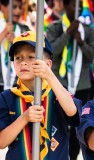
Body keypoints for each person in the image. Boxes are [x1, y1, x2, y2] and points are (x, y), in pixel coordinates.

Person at [0, 31, 81, 160]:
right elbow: (1, 143)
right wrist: (24, 118)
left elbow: (72, 112)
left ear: (47, 64)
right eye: (18, 58)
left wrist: (49, 75)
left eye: (31, 57)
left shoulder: (58, 92)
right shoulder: (6, 97)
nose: (23, 62)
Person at [46, 0, 94, 159]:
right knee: (58, 123)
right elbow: (51, 51)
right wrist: (67, 33)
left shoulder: (87, 30)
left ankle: (73, 155)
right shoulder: (55, 28)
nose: (75, 9)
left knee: (77, 124)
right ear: (65, 6)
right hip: (59, 84)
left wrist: (80, 42)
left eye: (78, 7)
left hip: (81, 84)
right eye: (72, 5)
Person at [0, 0, 30, 92]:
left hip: (17, 84)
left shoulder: (24, 30)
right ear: (3, 7)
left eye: (20, 7)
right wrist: (4, 33)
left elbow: (29, 54)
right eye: (14, 7)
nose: (18, 11)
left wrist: (15, 42)